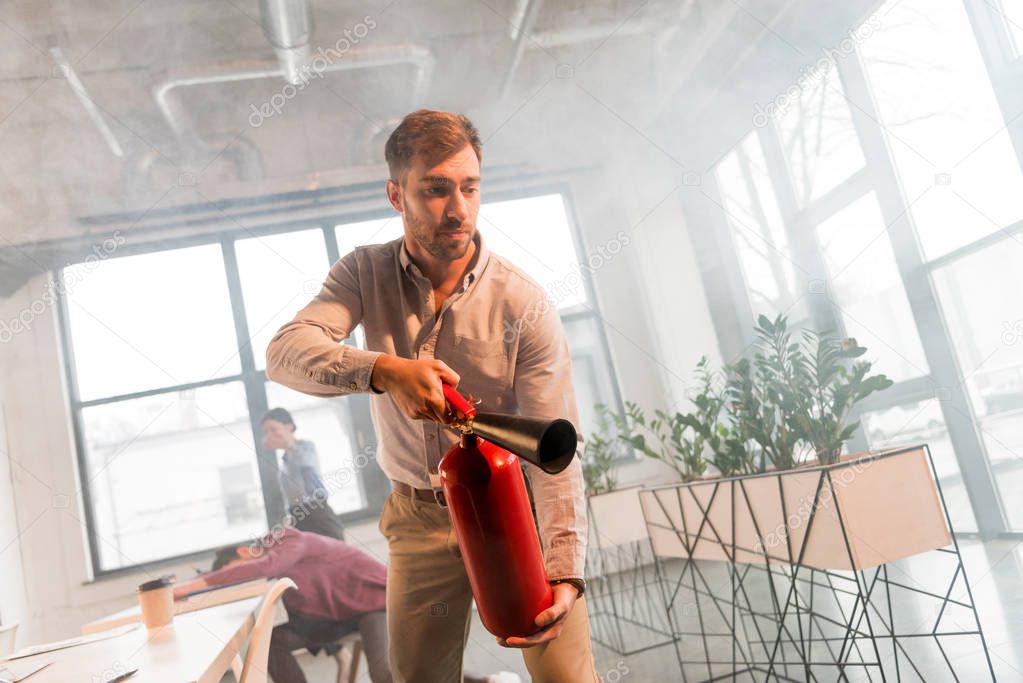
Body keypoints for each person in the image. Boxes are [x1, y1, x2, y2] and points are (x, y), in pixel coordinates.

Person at [266, 110, 601, 682]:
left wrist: (565, 571)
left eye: (470, 187)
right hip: (416, 518)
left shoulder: (525, 304)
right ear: (396, 195)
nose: (459, 208)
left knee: (564, 678)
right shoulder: (362, 275)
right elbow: (285, 353)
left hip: (514, 510)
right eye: (436, 190)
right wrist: (384, 370)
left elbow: (555, 452)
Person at [173, 527, 390, 683]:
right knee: (271, 642)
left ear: (244, 552)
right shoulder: (284, 567)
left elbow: (266, 566)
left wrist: (191, 586)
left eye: (233, 571)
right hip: (342, 615)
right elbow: (305, 609)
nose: (238, 577)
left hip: (375, 603)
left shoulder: (287, 538)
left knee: (381, 675)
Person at [262, 407, 346, 540]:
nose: (270, 435)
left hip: (319, 516)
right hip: (300, 519)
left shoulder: (306, 447)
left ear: (289, 427)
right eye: (266, 432)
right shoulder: (284, 462)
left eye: (274, 429)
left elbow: (305, 462)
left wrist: (288, 443)